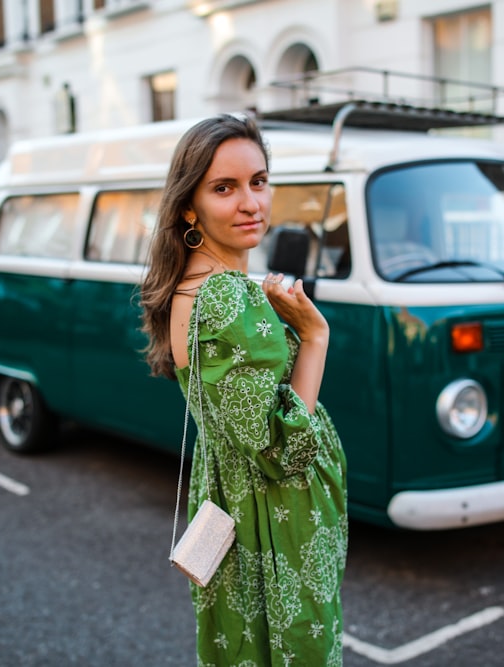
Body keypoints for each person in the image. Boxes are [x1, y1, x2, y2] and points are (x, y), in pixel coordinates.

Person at [140, 114, 348, 666]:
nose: (251, 202)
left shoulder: (191, 287)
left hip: (234, 510)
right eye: (224, 188)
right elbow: (283, 448)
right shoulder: (230, 298)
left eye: (258, 181)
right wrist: (315, 336)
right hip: (274, 527)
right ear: (191, 206)